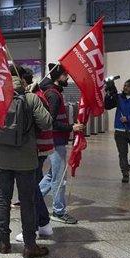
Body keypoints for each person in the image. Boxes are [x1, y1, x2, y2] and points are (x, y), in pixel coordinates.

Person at [0, 65, 54, 258]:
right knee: (27, 201)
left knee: (2, 199)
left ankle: (4, 243)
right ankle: (30, 246)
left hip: (1, 159)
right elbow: (46, 122)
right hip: (26, 159)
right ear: (21, 79)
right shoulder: (30, 98)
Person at [38, 64, 83, 224]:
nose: (67, 77)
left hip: (56, 140)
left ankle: (31, 200)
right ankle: (58, 211)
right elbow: (50, 121)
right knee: (60, 178)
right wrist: (71, 127)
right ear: (58, 76)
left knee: (52, 175)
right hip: (56, 141)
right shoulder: (54, 95)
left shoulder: (53, 92)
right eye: (65, 75)